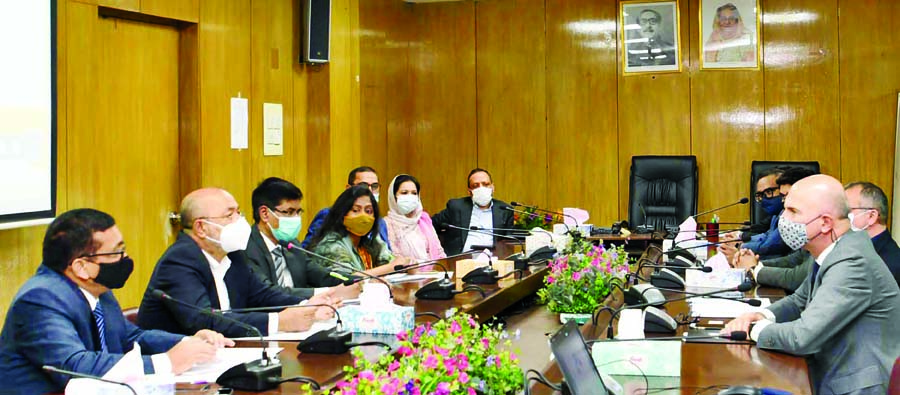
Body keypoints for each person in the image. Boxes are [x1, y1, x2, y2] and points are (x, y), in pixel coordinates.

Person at [0, 209, 233, 394]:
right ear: (81, 266)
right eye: (116, 253)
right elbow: (74, 366)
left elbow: (130, 337)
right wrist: (166, 362)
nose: (125, 259)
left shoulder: (95, 288)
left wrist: (188, 342)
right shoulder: (40, 299)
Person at [724, 175, 900, 395]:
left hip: (852, 386)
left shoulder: (853, 263)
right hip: (824, 373)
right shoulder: (835, 249)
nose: (783, 220)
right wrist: (761, 316)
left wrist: (753, 330)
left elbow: (803, 337)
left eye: (793, 212)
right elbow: (800, 300)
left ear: (825, 223)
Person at [138, 188, 336, 338]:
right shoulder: (179, 261)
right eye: (229, 215)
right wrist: (278, 322)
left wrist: (306, 306)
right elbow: (204, 320)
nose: (239, 220)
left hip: (228, 353)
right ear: (201, 228)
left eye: (238, 213)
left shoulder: (233, 255)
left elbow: (263, 295)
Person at [737, 181, 900, 291]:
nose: (840, 215)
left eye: (846, 211)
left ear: (871, 217)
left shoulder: (885, 261)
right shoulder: (846, 244)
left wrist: (754, 269)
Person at [245, 177, 361, 300]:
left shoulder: (291, 244)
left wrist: (357, 281)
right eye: (289, 212)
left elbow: (321, 274)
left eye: (298, 212)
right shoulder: (247, 249)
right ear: (264, 213)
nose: (296, 218)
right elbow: (269, 292)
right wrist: (329, 292)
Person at [719, 167, 818, 262]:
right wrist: (740, 241)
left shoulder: (796, 219)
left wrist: (740, 248)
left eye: (769, 192)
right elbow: (766, 236)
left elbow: (770, 245)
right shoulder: (778, 214)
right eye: (760, 195)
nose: (785, 201)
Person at [309, 185, 410, 276]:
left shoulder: (370, 241)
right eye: (355, 210)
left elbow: (391, 261)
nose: (363, 216)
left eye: (368, 211)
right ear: (342, 214)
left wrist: (407, 265)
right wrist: (391, 268)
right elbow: (345, 280)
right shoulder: (330, 244)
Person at [301, 166, 390, 250]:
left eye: (374, 186)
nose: (370, 190)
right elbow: (308, 251)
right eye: (363, 185)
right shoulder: (327, 215)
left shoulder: (379, 221)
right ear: (348, 188)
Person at [431, 168, 515, 255]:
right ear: (469, 191)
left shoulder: (505, 210)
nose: (481, 188)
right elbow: (429, 225)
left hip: (493, 261)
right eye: (475, 185)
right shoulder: (456, 207)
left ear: (493, 187)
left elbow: (508, 242)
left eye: (485, 184)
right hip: (460, 261)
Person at [384, 174, 447, 262]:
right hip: (404, 273)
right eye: (404, 193)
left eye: (414, 193)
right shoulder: (386, 224)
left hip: (434, 271)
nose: (410, 196)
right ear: (393, 196)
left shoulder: (423, 220)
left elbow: (439, 252)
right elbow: (393, 257)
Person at [750, 167, 785, 235]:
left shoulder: (793, 218)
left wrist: (741, 244)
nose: (764, 199)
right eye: (760, 194)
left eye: (768, 192)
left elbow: (771, 243)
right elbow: (761, 230)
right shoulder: (775, 216)